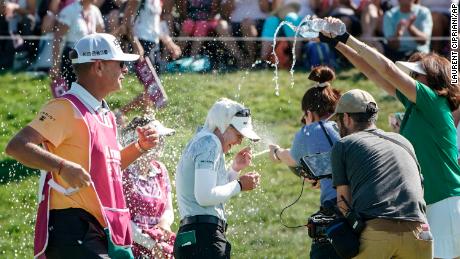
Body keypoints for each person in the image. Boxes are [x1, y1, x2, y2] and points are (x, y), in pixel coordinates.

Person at [5, 33, 160, 258]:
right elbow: (17, 146)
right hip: (71, 226)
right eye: (120, 64)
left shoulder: (105, 114)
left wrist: (139, 147)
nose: (126, 70)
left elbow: (109, 169)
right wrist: (61, 167)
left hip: (99, 228)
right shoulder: (64, 108)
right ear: (98, 67)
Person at [319, 17, 460, 258]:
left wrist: (347, 37)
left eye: (417, 75)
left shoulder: (434, 103)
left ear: (434, 79)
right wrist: (338, 45)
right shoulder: (421, 108)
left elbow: (389, 69)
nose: (412, 79)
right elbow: (375, 73)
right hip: (433, 207)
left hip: (445, 204)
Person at [329, 89, 431, 258]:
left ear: (346, 118)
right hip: (419, 230)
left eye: (338, 121)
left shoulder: (344, 144)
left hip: (378, 232)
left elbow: (343, 204)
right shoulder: (403, 141)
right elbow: (420, 188)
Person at [268, 65, 342, 259]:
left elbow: (292, 159)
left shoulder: (311, 130)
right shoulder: (343, 125)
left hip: (336, 208)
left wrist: (276, 152)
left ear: (308, 113)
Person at [173, 97, 261, 258]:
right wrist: (240, 185)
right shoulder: (210, 142)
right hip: (204, 238)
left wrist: (235, 169)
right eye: (238, 134)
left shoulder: (202, 140)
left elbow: (208, 193)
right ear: (223, 125)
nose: (240, 141)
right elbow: (205, 197)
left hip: (192, 236)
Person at [121, 116, 176, 258]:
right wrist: (149, 243)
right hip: (128, 247)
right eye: (157, 138)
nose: (161, 142)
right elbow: (120, 218)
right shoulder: (123, 170)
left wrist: (165, 223)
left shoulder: (160, 169)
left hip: (156, 248)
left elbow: (168, 209)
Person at [51, 0, 105, 87]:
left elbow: (101, 37)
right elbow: (57, 39)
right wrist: (55, 65)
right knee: (74, 91)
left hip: (91, 57)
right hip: (73, 58)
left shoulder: (95, 11)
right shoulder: (70, 11)